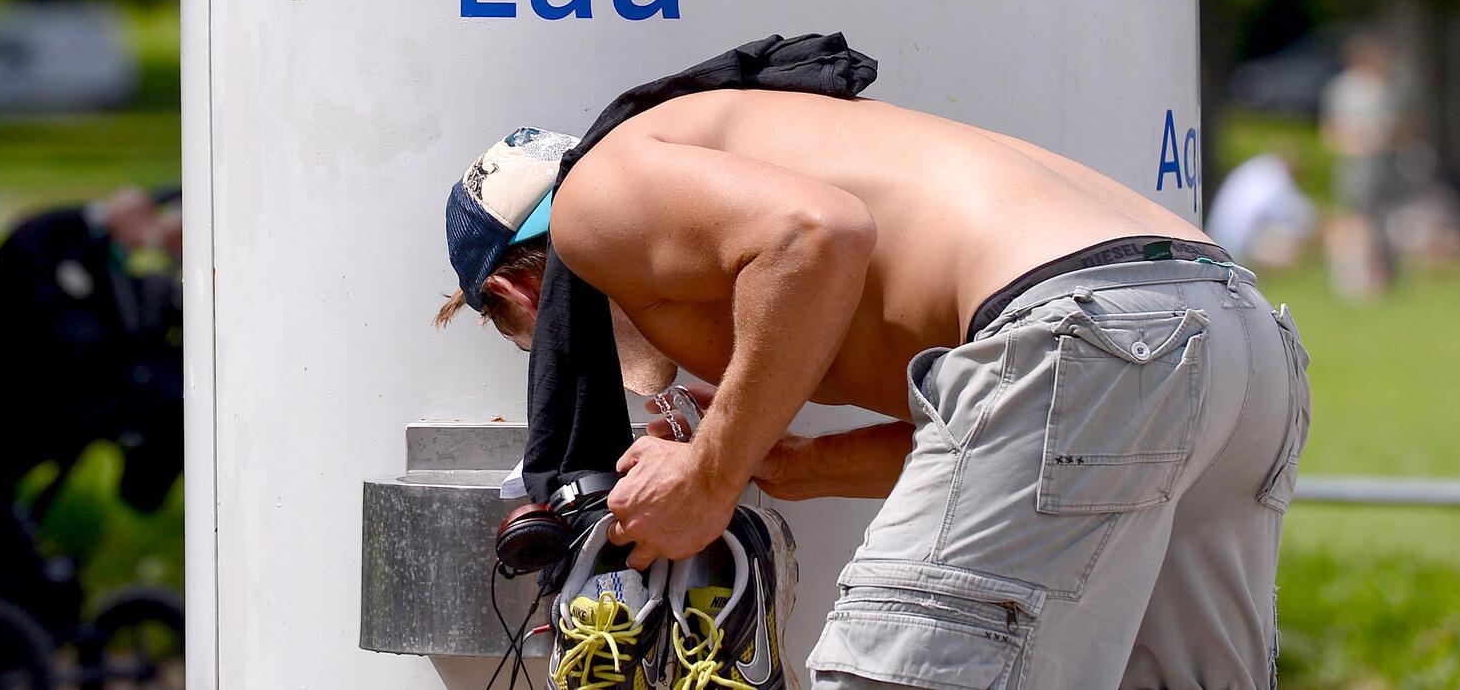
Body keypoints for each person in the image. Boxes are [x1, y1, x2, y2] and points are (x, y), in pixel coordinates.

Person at [439, 90, 1309, 690]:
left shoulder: (599, 194)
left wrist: (707, 477)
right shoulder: (743, 149)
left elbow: (817, 236)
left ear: (517, 296)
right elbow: (1015, 439)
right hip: (1228, 329)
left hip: (1083, 327)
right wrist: (798, 463)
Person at [1319, 32, 1405, 300]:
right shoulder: (1363, 90)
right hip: (1357, 165)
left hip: (1375, 166)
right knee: (1356, 220)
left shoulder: (1375, 88)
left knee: (1368, 220)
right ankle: (1355, 276)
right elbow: (1332, 132)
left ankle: (1365, 276)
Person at [1205, 149, 1317, 270]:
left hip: (1217, 238)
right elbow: (1298, 215)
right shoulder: (1275, 178)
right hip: (1234, 246)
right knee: (1291, 240)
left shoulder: (1255, 170)